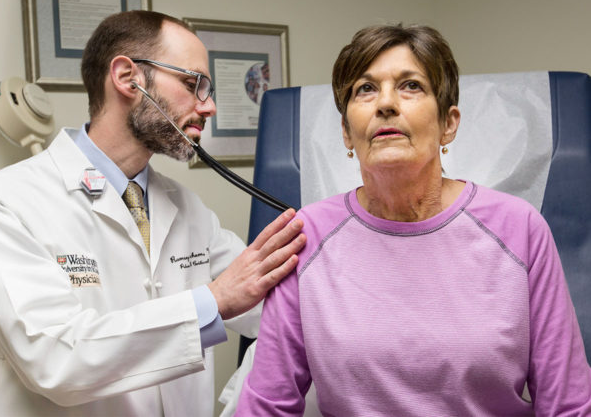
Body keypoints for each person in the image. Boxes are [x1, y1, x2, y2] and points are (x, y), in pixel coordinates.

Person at [0, 10, 305, 417]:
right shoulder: (4, 202)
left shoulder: (187, 207)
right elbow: (54, 361)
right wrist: (211, 301)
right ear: (127, 78)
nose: (208, 107)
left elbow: (278, 312)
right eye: (193, 84)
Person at [235, 24, 591, 416]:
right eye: (365, 89)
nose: (385, 103)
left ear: (448, 123)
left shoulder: (520, 229)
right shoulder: (306, 238)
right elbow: (266, 406)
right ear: (346, 133)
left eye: (411, 86)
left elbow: (568, 405)